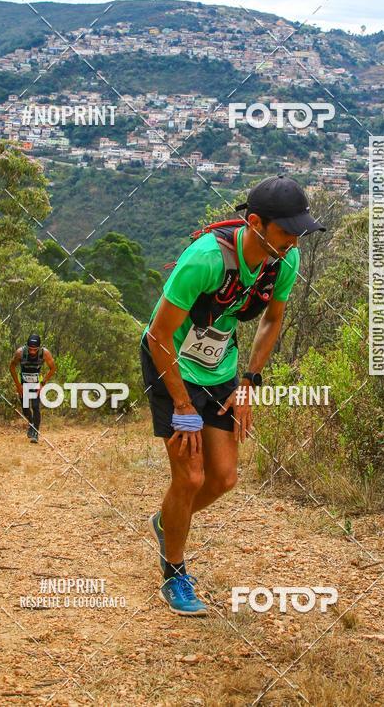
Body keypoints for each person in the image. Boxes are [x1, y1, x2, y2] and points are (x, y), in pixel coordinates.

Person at [141, 176, 326, 615]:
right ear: (256, 222)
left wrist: (250, 381)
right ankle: (175, 573)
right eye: (286, 230)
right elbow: (159, 335)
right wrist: (183, 406)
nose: (294, 240)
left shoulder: (285, 259)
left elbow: (271, 319)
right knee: (190, 477)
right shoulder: (205, 259)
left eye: (299, 231)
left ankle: (168, 521)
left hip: (220, 368)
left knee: (223, 478)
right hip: (171, 363)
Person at [10, 334, 56, 444]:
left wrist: (42, 384)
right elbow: (11, 367)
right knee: (25, 408)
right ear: (27, 346)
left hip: (36, 384)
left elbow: (53, 368)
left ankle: (36, 432)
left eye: (35, 349)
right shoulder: (20, 353)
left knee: (35, 406)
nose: (32, 352)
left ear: (39, 348)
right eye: (30, 349)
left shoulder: (45, 353)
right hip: (24, 384)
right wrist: (18, 386)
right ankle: (31, 424)